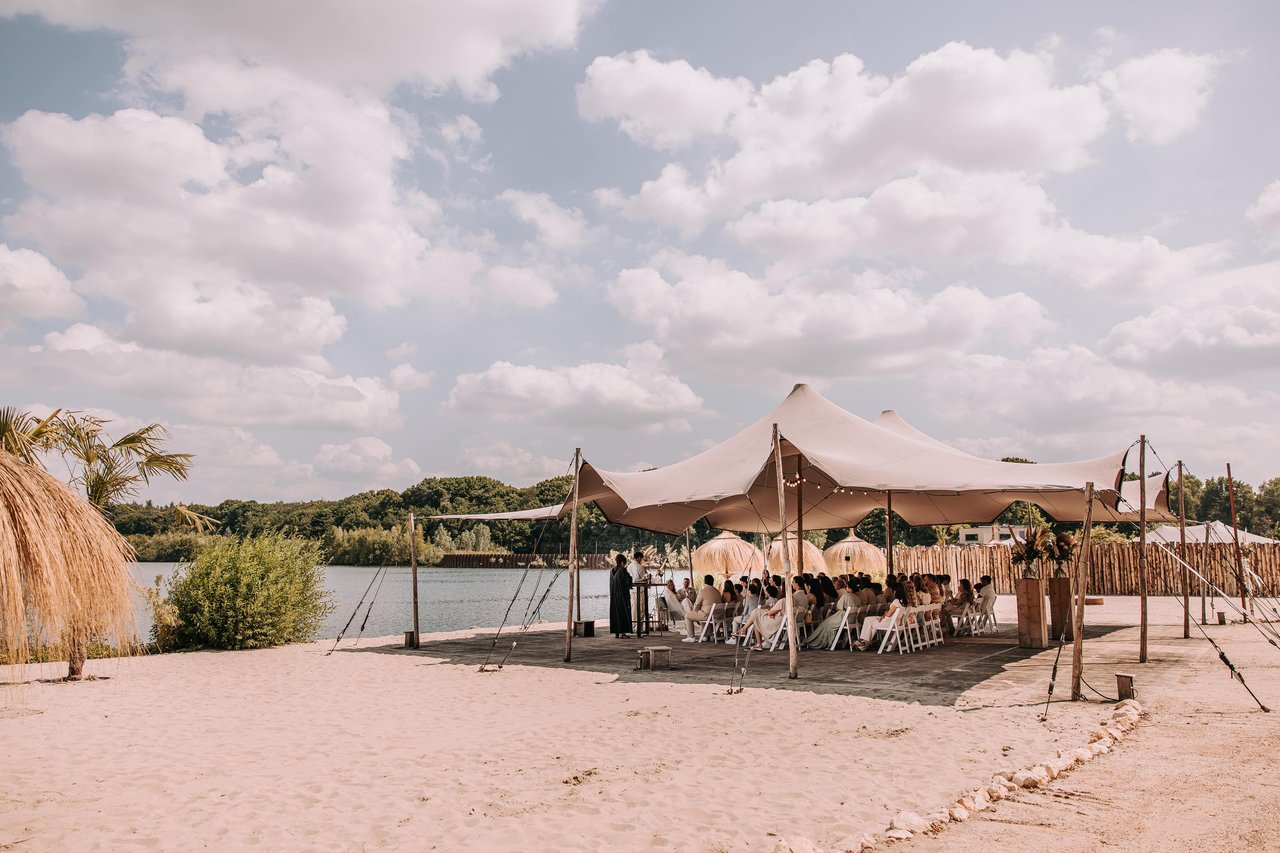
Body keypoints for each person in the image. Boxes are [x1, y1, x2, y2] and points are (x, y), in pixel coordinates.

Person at [854, 580, 916, 650]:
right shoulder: (905, 602)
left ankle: (863, 642)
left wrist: (885, 614)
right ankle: (862, 642)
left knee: (871, 624)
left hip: (890, 622)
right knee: (867, 619)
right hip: (896, 621)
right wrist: (884, 616)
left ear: (896, 591)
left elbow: (888, 614)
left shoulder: (896, 601)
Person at [803, 578, 857, 649]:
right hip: (852, 619)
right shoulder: (856, 598)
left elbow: (838, 608)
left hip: (843, 618)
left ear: (849, 588)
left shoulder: (846, 596)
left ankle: (814, 641)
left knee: (824, 624)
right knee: (825, 623)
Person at [681, 574, 723, 643]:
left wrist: (694, 613)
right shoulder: (717, 591)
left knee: (687, 615)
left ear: (704, 582)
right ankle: (706, 635)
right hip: (717, 615)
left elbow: (696, 605)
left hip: (708, 615)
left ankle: (691, 637)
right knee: (702, 613)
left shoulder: (702, 591)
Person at [609, 554, 633, 638]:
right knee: (623, 612)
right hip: (622, 596)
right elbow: (628, 583)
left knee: (615, 613)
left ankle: (616, 633)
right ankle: (623, 633)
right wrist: (630, 577)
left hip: (614, 595)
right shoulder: (622, 570)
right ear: (622, 562)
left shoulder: (612, 571)